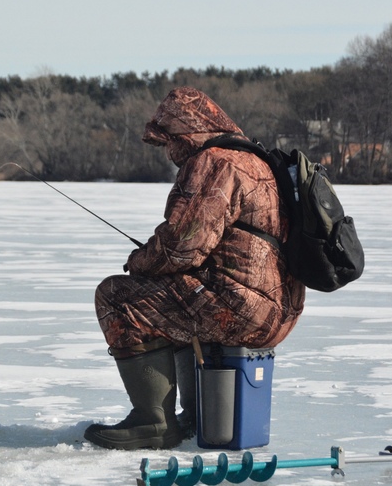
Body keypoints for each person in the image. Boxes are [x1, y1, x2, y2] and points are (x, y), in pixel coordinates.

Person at [84, 87, 305, 450]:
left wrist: (139, 262)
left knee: (117, 296)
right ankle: (199, 417)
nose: (170, 152)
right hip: (278, 309)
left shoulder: (214, 162)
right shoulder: (254, 160)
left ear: (187, 134)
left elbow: (180, 246)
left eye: (169, 141)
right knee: (175, 294)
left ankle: (153, 422)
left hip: (238, 307)